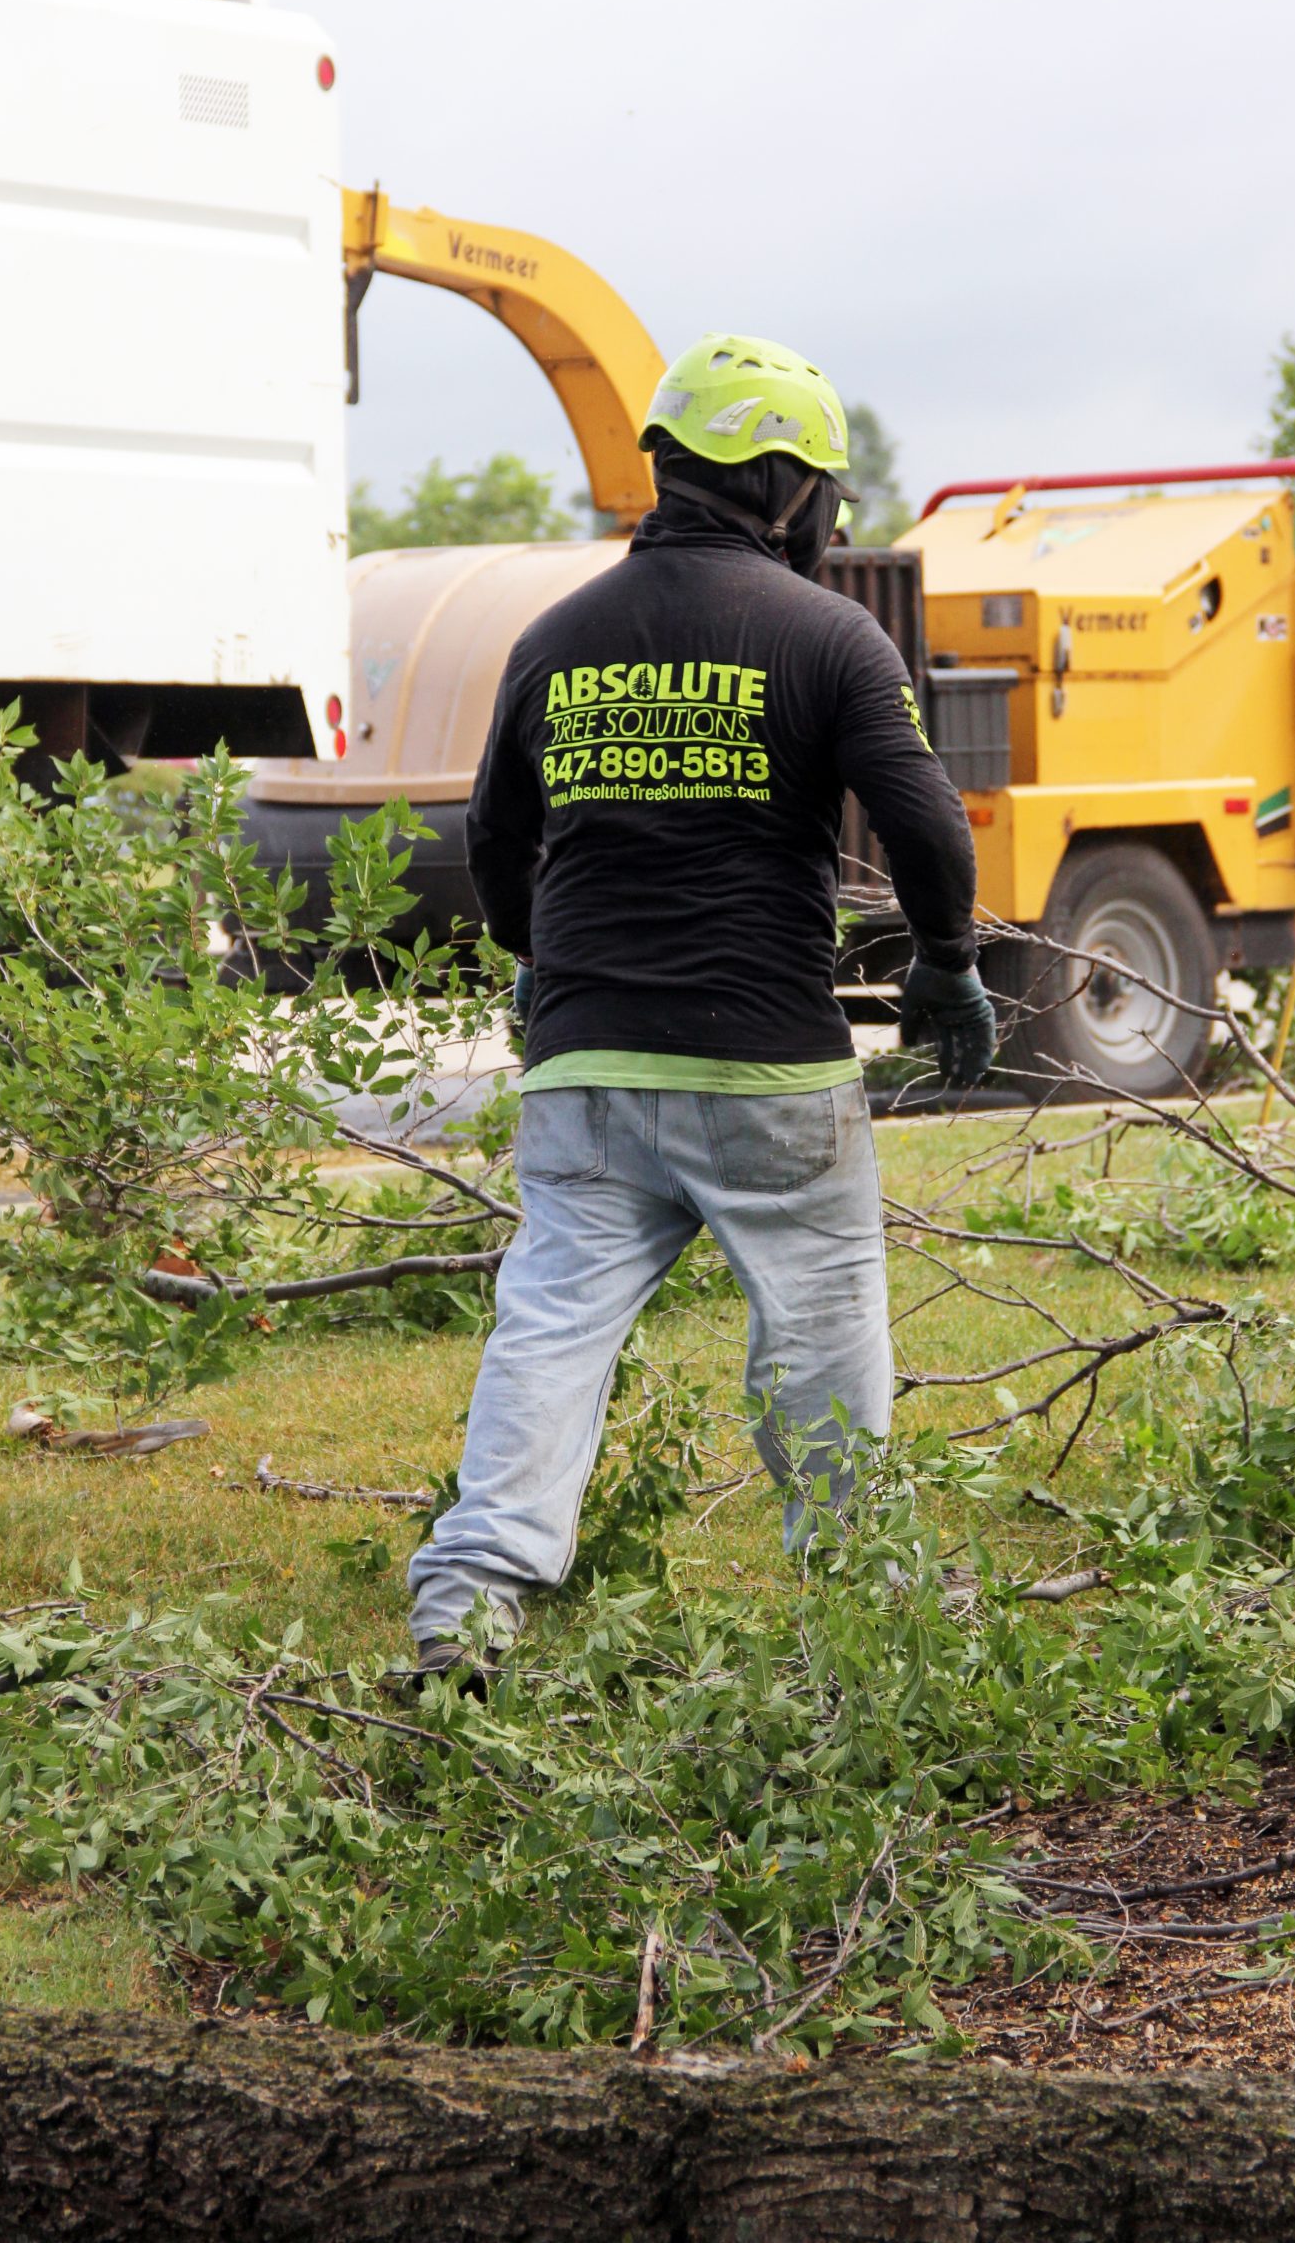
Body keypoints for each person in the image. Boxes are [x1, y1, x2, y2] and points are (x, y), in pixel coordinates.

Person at [402, 333, 996, 1686]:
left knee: (549, 1329)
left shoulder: (552, 639)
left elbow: (495, 838)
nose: (833, 518)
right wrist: (946, 960)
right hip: (767, 1074)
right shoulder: (829, 636)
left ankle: (468, 1602)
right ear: (782, 484)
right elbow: (923, 820)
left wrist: (533, 957)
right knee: (825, 1322)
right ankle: (855, 1590)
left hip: (586, 1072)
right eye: (827, 490)